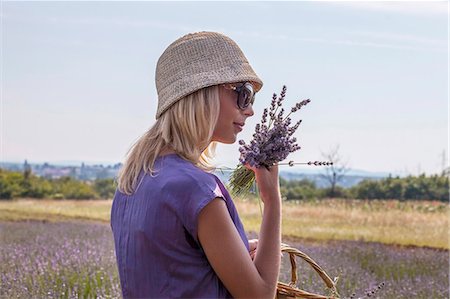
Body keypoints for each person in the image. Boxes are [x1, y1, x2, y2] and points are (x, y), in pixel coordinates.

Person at [110, 31, 282, 299]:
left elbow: (168, 269)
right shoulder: (198, 189)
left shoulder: (131, 183)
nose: (249, 110)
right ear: (206, 94)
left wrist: (228, 254)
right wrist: (271, 200)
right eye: (243, 94)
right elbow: (259, 296)